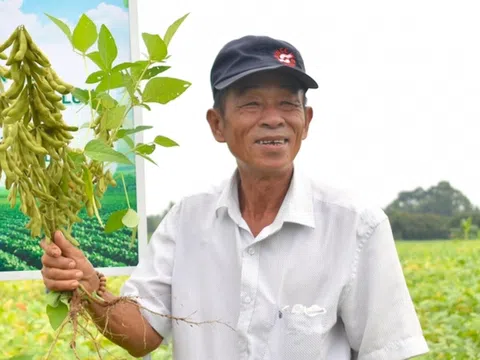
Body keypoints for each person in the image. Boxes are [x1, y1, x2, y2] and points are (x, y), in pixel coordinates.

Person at [40, 35, 430, 360]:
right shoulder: (187, 219)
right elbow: (143, 335)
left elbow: (388, 350)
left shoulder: (355, 225)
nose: (273, 118)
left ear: (306, 122)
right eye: (251, 104)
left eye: (288, 104)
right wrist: (87, 283)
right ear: (217, 125)